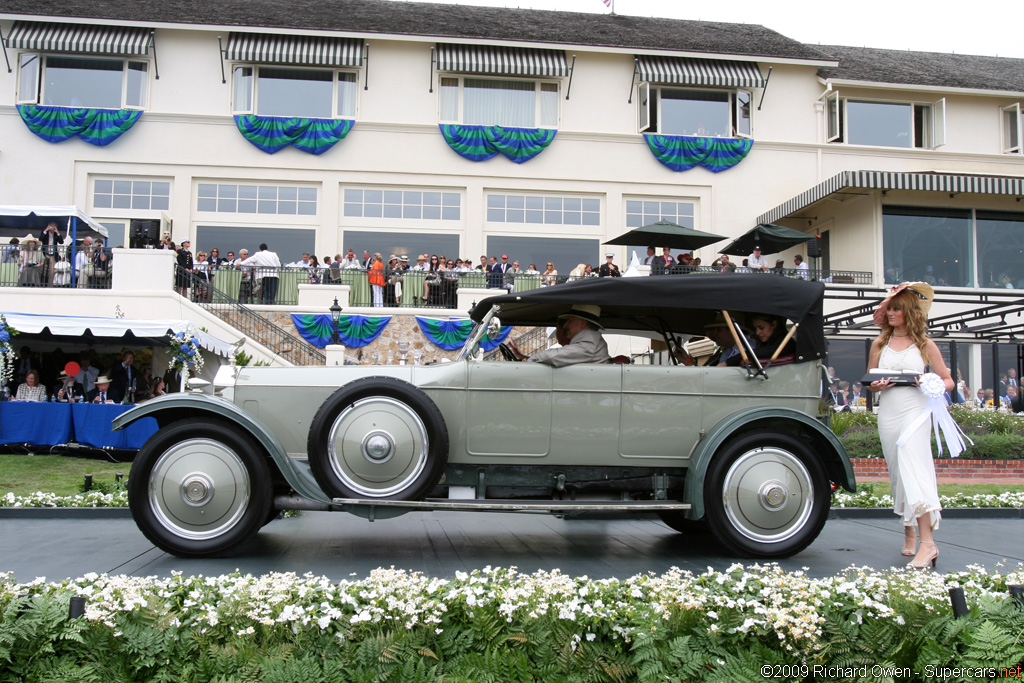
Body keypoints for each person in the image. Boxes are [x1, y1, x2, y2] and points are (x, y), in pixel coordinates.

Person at [867, 281, 953, 570]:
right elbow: (870, 383)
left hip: (916, 412)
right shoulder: (880, 344)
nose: (890, 313)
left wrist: (931, 385)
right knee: (899, 473)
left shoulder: (925, 345)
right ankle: (909, 528)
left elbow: (948, 380)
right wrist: (876, 386)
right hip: (889, 412)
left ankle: (928, 544)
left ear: (908, 312)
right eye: (888, 308)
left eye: (895, 309)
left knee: (914, 469)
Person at [507, 305, 610, 367]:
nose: (566, 325)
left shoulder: (589, 344)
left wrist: (529, 361)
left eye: (570, 320)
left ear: (583, 323)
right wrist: (523, 357)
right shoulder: (590, 342)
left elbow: (552, 356)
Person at [728, 313, 793, 364]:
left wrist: (730, 361)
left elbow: (767, 352)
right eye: (756, 328)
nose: (757, 333)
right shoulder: (767, 343)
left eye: (761, 328)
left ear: (773, 324)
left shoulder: (787, 343)